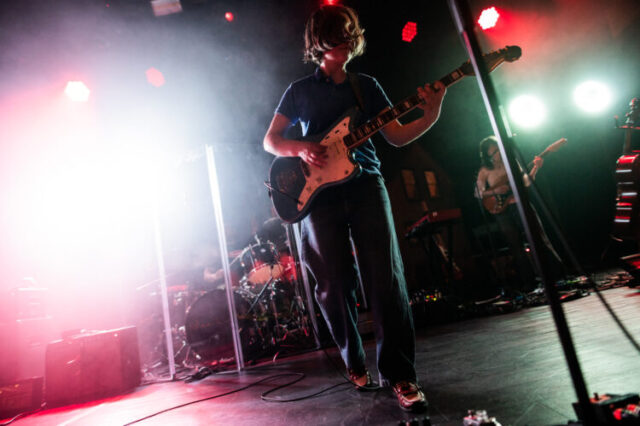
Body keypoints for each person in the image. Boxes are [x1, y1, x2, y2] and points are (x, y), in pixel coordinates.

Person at [263, 4, 446, 412]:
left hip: (366, 184)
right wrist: (301, 148)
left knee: (386, 280)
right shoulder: (299, 90)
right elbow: (271, 140)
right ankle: (353, 361)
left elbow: (396, 136)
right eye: (338, 33)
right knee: (331, 283)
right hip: (319, 195)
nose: (347, 39)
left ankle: (401, 376)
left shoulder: (367, 85)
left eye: (350, 31)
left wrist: (432, 111)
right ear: (320, 41)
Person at [475, 136, 562, 293]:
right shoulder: (484, 171)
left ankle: (556, 275)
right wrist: (496, 190)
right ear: (487, 155)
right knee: (516, 247)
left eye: (498, 149)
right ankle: (529, 283)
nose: (498, 153)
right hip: (503, 212)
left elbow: (525, 182)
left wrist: (535, 168)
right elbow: (478, 193)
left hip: (520, 204)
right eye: (494, 152)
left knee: (539, 238)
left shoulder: (511, 162)